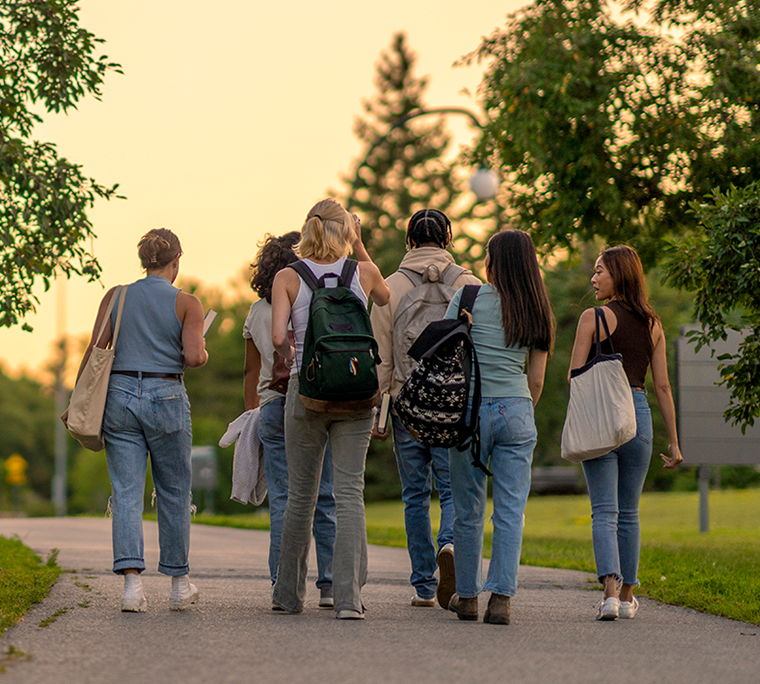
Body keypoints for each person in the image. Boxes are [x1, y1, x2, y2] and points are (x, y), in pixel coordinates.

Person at [66, 228, 208, 612]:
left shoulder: (117, 296)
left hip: (119, 396)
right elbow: (194, 358)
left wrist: (77, 400)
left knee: (126, 493)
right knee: (174, 493)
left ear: (144, 261)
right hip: (166, 396)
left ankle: (132, 589)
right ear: (176, 262)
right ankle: (179, 586)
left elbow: (95, 350)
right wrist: (201, 348)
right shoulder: (187, 303)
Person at [270, 198, 389, 619]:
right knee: (349, 493)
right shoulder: (364, 272)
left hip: (308, 389)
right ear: (346, 230)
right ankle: (348, 600)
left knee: (300, 496)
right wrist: (358, 244)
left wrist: (295, 356)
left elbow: (278, 338)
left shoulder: (288, 276)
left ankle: (287, 595)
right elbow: (386, 296)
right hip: (357, 387)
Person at [369, 208, 480, 609]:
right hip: (454, 405)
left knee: (414, 494)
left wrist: (380, 411)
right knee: (451, 490)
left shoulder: (390, 286)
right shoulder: (469, 285)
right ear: (448, 239)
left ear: (409, 241)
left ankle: (422, 586)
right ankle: (449, 544)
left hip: (405, 404)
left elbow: (380, 355)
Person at [568, 244, 683, 621]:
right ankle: (630, 595)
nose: (594, 277)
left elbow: (575, 376)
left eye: (600, 270)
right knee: (629, 512)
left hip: (602, 414)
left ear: (619, 274)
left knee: (604, 510)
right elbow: (663, 387)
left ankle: (610, 596)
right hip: (639, 416)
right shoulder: (654, 324)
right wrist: (675, 442)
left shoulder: (593, 318)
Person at [445, 230, 554, 625]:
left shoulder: (467, 298)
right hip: (517, 410)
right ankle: (501, 599)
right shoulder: (537, 308)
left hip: (469, 413)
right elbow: (537, 380)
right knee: (510, 510)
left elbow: (445, 352)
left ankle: (469, 596)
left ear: (494, 261)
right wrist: (519, 409)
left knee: (468, 509)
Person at [243, 231, 337, 608]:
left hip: (271, 406)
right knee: (325, 494)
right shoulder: (313, 300)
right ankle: (329, 584)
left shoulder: (256, 311)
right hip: (315, 401)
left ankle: (281, 582)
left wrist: (252, 410)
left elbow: (251, 372)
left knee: (282, 498)